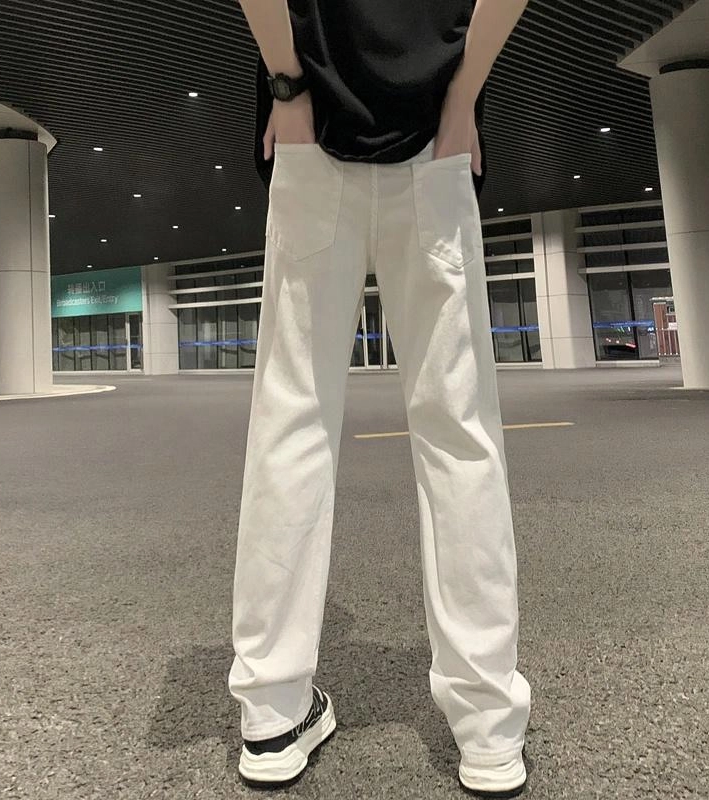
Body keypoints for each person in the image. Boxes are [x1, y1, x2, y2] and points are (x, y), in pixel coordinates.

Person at [228, 1, 532, 796]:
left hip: (311, 126)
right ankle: (489, 728)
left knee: (291, 422)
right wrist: (464, 95)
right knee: (459, 432)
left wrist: (287, 87)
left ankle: (272, 711)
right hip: (435, 133)